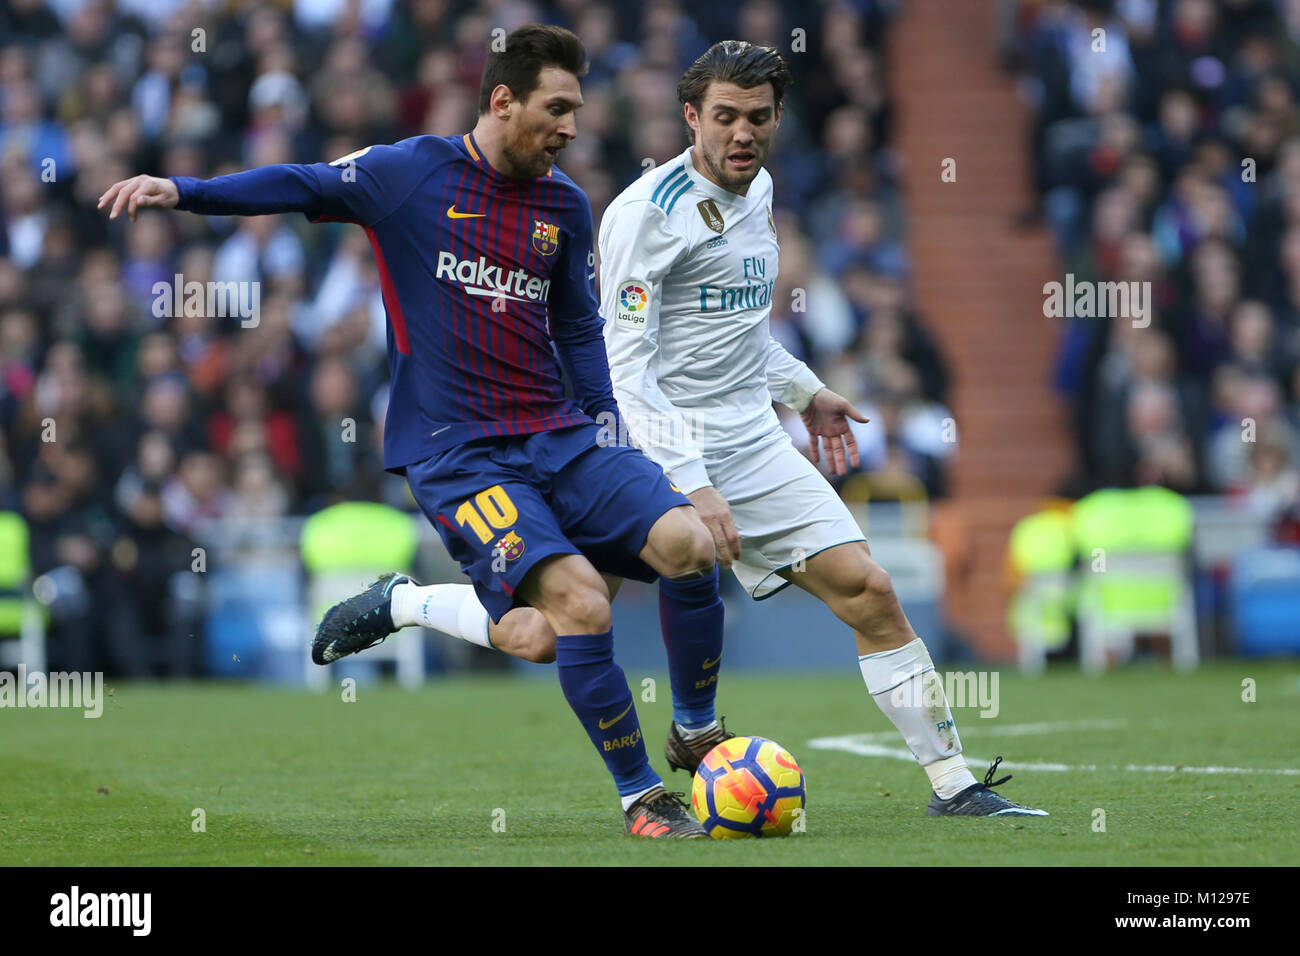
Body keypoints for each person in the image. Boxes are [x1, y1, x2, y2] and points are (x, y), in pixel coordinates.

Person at [98, 24, 723, 838]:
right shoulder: (409, 174)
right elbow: (298, 180)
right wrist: (183, 190)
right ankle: (643, 798)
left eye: (577, 109)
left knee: (680, 550)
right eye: (558, 108)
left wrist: (609, 429)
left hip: (562, 435)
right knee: (579, 607)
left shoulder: (564, 204)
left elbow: (577, 331)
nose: (573, 127)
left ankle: (695, 728)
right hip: (457, 452)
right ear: (503, 100)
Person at [419, 41, 1048, 818]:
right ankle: (407, 604)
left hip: (750, 439)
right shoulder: (644, 217)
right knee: (545, 629)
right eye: (724, 117)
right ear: (691, 117)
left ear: (778, 117)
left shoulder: (762, 190)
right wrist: (692, 482)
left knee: (871, 590)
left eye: (758, 117)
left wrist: (806, 389)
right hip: (645, 442)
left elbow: (741, 334)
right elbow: (623, 368)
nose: (742, 133)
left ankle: (954, 786)